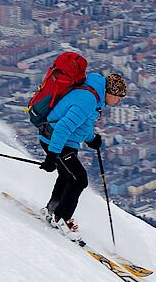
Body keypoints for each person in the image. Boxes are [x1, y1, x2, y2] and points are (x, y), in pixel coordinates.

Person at [37, 71, 126, 237]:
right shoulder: (88, 99)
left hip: (64, 141)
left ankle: (52, 210)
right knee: (79, 179)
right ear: (109, 92)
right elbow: (63, 127)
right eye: (118, 96)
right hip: (55, 140)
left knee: (67, 176)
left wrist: (91, 139)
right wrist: (52, 155)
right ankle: (61, 218)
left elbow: (82, 125)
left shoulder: (94, 98)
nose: (119, 101)